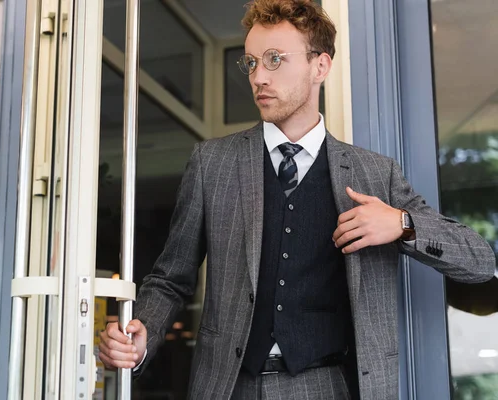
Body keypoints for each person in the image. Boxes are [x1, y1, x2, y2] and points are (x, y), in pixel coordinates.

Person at [98, 0, 496, 399]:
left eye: (275, 60)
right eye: (251, 62)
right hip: (229, 385)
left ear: (320, 66)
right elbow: (171, 278)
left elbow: (479, 261)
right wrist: (143, 331)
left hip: (326, 386)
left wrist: (401, 224)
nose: (258, 77)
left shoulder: (375, 173)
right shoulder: (212, 163)